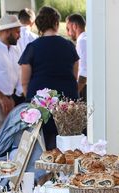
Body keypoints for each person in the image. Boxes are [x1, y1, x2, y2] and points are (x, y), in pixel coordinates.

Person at [19, 5, 78, 149]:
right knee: (67, 144)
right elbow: (74, 74)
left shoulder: (32, 47)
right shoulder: (69, 46)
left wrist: (31, 99)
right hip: (66, 101)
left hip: (41, 101)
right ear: (56, 24)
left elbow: (24, 81)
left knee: (41, 144)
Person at [66, 13, 87, 98]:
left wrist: (74, 94)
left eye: (68, 29)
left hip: (84, 88)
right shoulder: (86, 39)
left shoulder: (82, 42)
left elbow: (83, 73)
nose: (67, 33)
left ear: (74, 26)